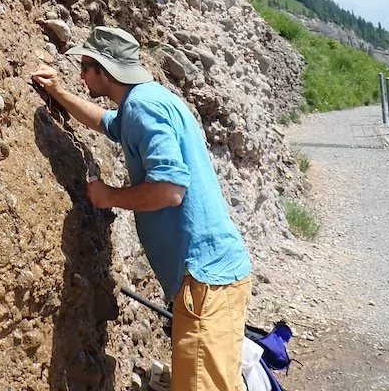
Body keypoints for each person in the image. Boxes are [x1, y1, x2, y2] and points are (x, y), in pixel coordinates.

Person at [31, 25, 252, 391]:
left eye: (85, 67)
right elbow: (105, 122)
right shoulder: (147, 100)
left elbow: (170, 190)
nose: (81, 75)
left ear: (105, 70)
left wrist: (109, 196)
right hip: (213, 276)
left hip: (205, 283)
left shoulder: (142, 108)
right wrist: (59, 93)